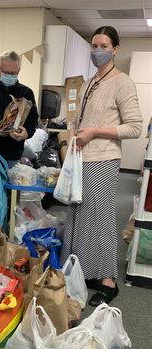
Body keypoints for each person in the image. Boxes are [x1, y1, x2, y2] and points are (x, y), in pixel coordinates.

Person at [60, 26, 142, 307]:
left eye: (103, 45)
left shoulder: (122, 82)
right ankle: (83, 271)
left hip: (104, 158)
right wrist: (72, 135)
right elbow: (78, 119)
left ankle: (108, 280)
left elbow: (134, 127)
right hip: (81, 158)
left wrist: (94, 131)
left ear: (115, 49)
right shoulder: (90, 81)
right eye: (94, 45)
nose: (97, 50)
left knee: (101, 219)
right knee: (78, 216)